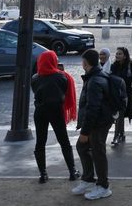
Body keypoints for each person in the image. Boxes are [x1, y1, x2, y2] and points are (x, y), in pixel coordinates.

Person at [31, 50, 80, 183]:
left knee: (40, 142)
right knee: (64, 141)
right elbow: (64, 90)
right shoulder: (62, 77)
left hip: (40, 112)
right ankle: (72, 171)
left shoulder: (35, 78)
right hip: (56, 111)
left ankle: (43, 174)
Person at [72, 49, 114, 200]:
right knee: (83, 147)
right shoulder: (97, 75)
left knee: (98, 152)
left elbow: (92, 108)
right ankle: (88, 180)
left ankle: (103, 186)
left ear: (85, 63)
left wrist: (85, 131)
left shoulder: (94, 80)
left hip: (98, 123)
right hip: (100, 121)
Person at [109, 47, 132, 146]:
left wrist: (127, 78)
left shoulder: (131, 65)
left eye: (120, 54)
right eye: (117, 54)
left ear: (125, 56)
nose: (117, 55)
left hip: (127, 94)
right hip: (117, 94)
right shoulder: (114, 66)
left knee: (120, 115)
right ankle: (120, 134)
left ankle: (117, 136)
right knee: (119, 115)